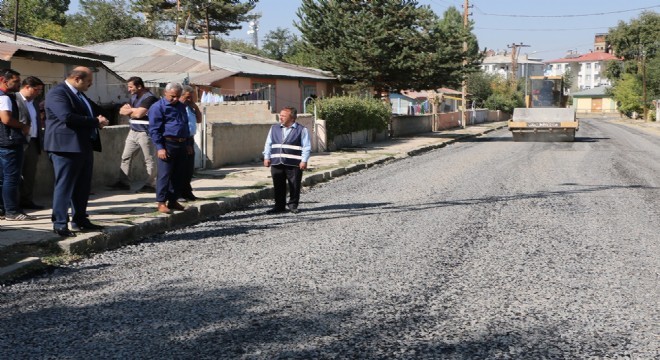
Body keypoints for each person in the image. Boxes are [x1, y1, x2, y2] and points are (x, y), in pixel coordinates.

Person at [44, 66, 109, 237]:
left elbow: (96, 110)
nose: (90, 85)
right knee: (65, 185)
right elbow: (67, 117)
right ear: (78, 78)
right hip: (65, 147)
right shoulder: (58, 93)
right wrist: (95, 121)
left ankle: (80, 219)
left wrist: (120, 111)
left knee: (82, 186)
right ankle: (59, 223)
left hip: (83, 145)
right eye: (88, 81)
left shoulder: (80, 95)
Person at [107, 77, 159, 193]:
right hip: (133, 131)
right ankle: (123, 182)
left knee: (149, 159)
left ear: (139, 86)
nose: (129, 89)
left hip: (146, 132)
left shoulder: (149, 98)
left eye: (131, 87)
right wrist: (134, 111)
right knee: (126, 157)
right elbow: (121, 111)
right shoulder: (134, 97)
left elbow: (140, 114)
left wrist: (133, 111)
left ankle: (151, 184)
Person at [148, 82, 190, 214]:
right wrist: (160, 147)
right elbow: (154, 130)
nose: (175, 99)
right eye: (172, 96)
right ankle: (161, 202)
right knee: (165, 174)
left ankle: (173, 200)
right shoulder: (157, 107)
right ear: (164, 93)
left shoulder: (181, 106)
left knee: (179, 174)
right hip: (167, 143)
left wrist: (188, 143)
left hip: (181, 143)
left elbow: (185, 125)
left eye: (178, 96)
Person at [262, 106, 311, 214]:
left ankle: (293, 205)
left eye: (284, 116)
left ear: (292, 118)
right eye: (280, 115)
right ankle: (279, 206)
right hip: (276, 162)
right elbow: (268, 144)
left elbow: (306, 146)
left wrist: (304, 160)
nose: (281, 118)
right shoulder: (274, 128)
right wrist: (266, 157)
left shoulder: (302, 130)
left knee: (294, 185)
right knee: (278, 185)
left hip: (294, 163)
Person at [0, 68, 34, 221]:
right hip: (9, 142)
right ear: (3, 80)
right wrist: (23, 126)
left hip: (4, 142)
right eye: (16, 81)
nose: (18, 84)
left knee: (3, 178)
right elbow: (6, 119)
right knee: (11, 178)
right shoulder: (5, 98)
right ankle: (12, 211)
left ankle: (4, 209)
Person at [16, 76, 45, 210]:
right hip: (18, 142)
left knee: (29, 174)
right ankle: (11, 204)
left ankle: (26, 200)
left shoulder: (34, 102)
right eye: (36, 89)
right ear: (27, 87)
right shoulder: (13, 99)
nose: (38, 92)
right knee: (14, 174)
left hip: (33, 142)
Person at [179, 85, 201, 202]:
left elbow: (199, 120)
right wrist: (186, 144)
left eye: (191, 97)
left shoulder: (190, 107)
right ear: (181, 96)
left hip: (190, 139)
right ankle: (179, 193)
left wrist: (195, 107)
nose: (189, 100)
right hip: (182, 140)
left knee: (189, 169)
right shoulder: (178, 108)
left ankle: (187, 191)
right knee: (181, 169)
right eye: (187, 97)